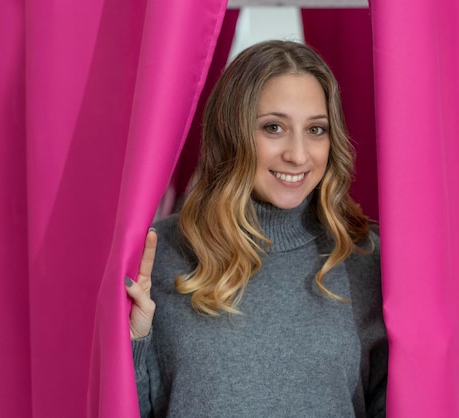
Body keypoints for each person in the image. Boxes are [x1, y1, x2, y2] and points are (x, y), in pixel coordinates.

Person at [125, 40, 387, 418]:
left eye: (316, 130)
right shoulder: (159, 253)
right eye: (274, 127)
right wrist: (133, 341)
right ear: (230, 132)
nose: (298, 154)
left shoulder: (366, 256)